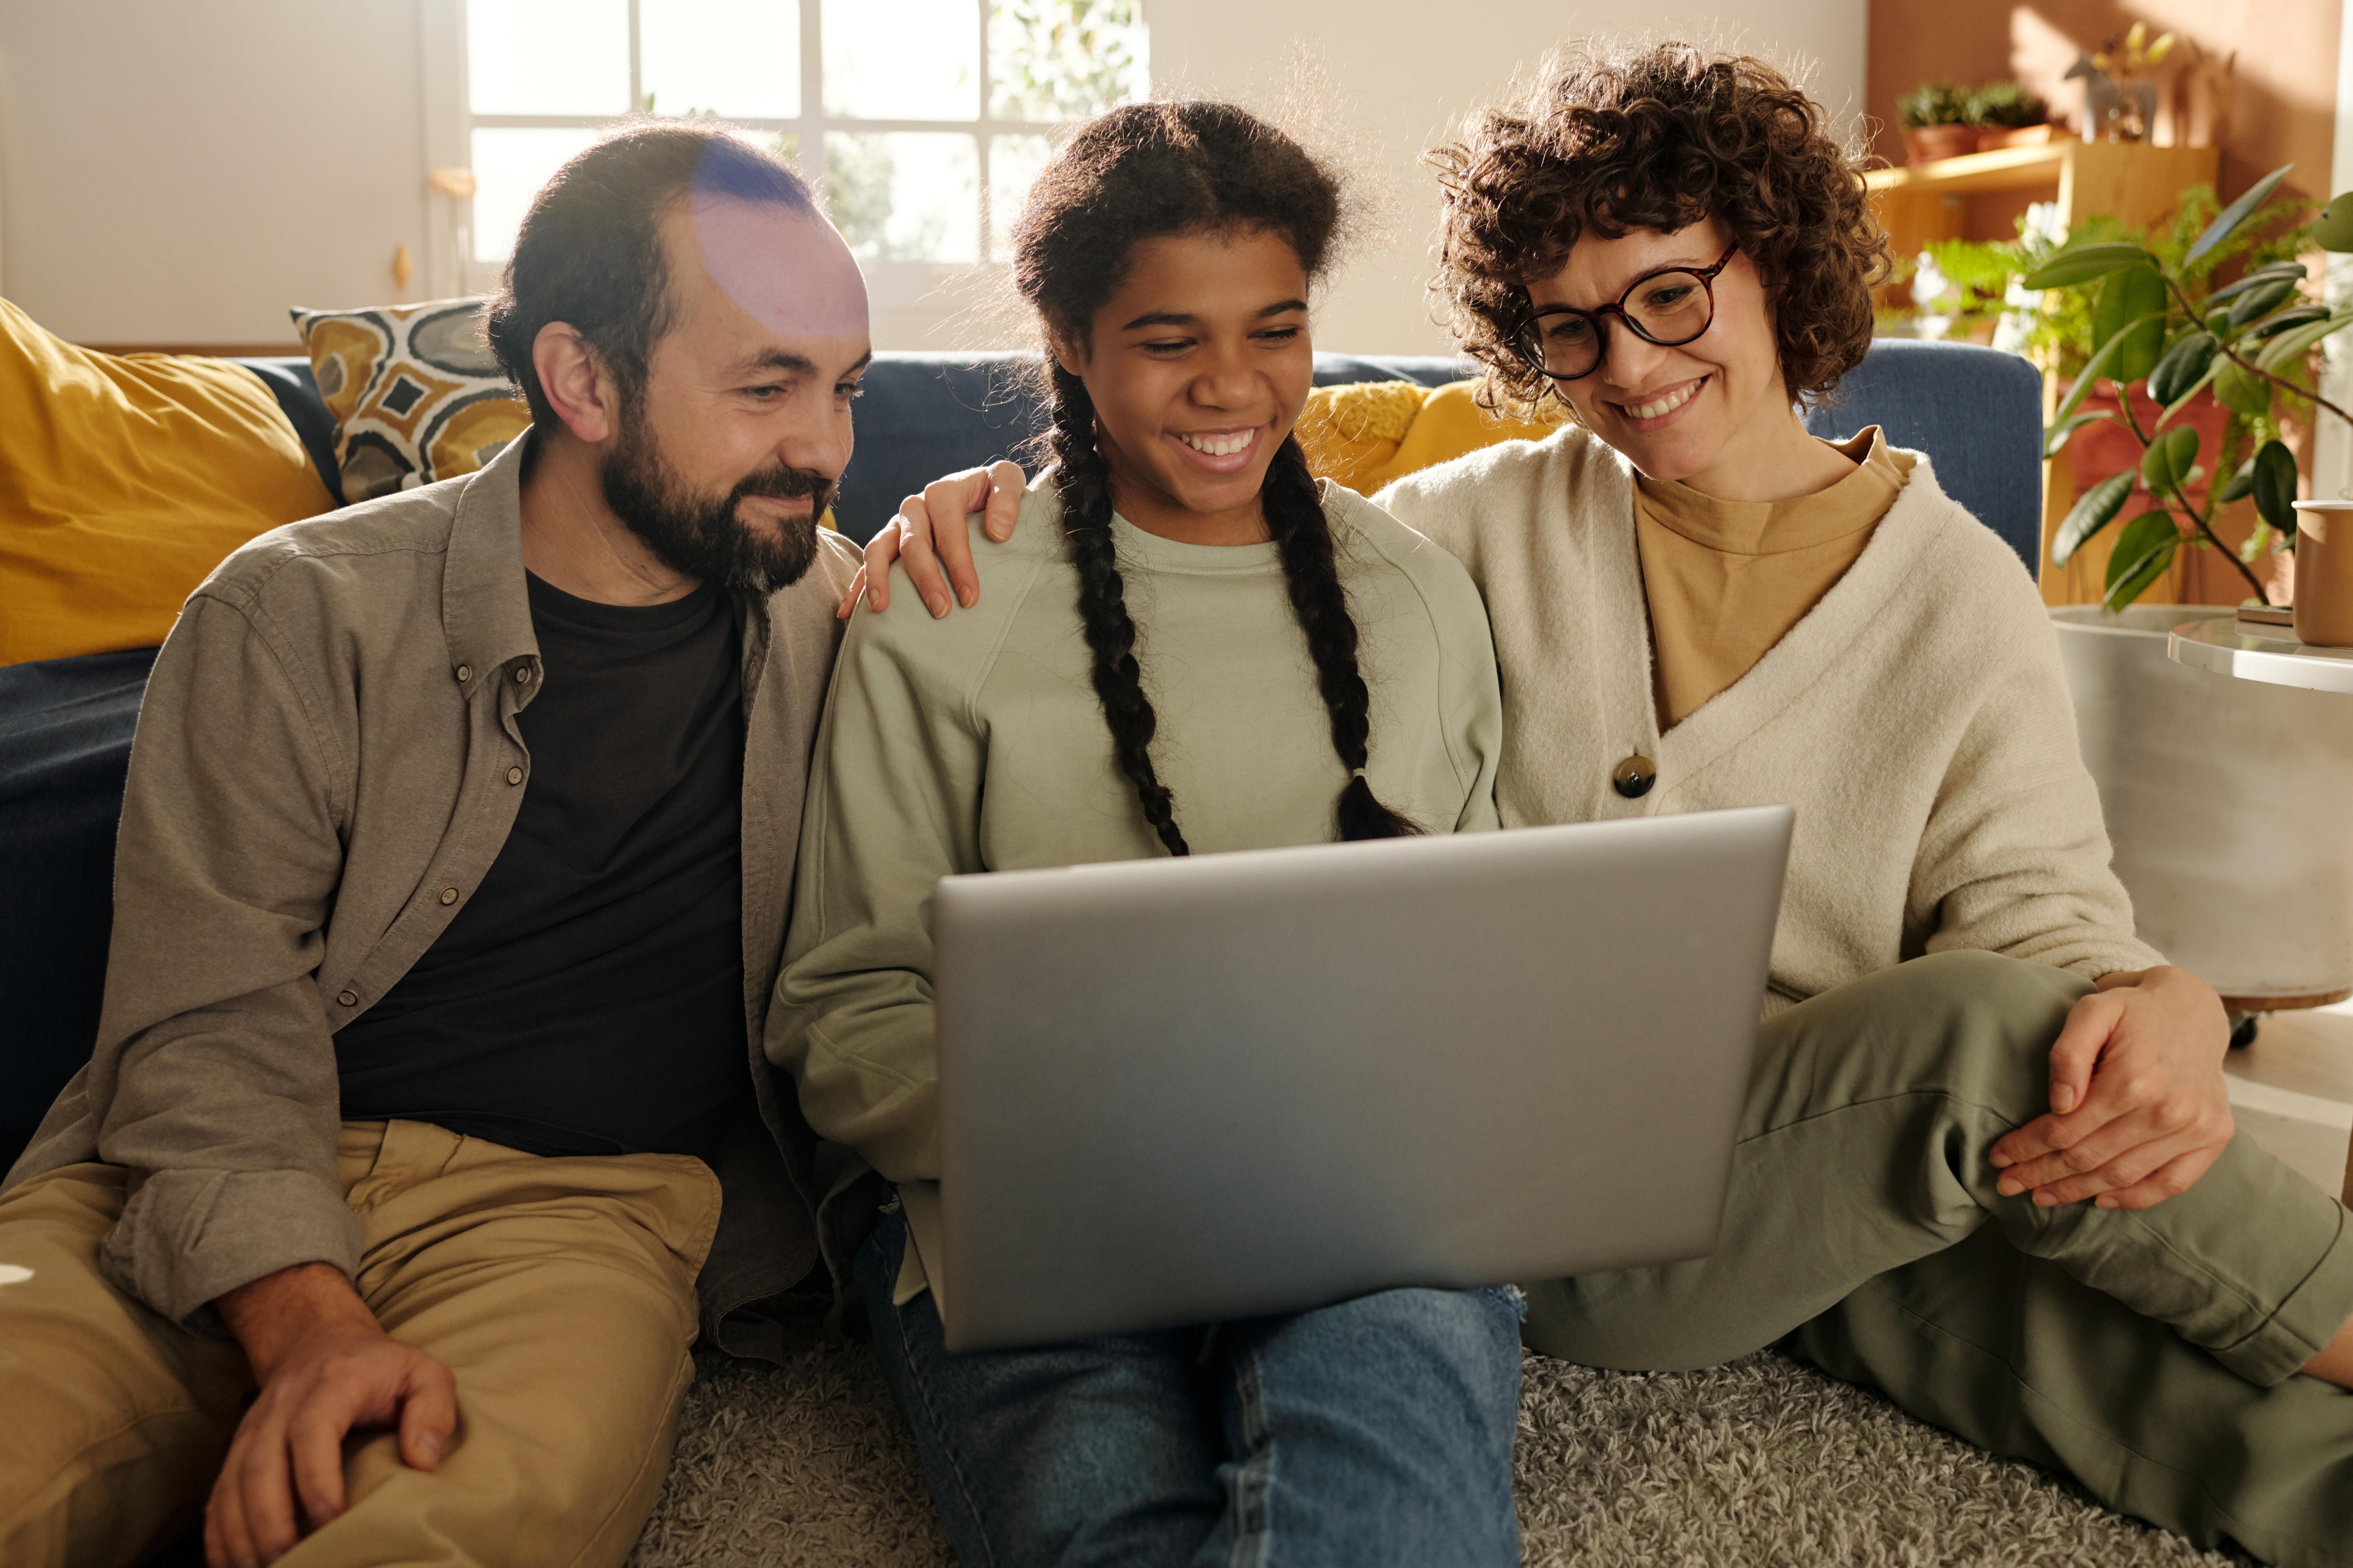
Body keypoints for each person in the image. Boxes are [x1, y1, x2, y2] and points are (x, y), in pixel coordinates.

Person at [859, 46, 2353, 1566]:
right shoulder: (1469, 526)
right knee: (1984, 1036)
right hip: (1522, 1184)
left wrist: (2158, 992)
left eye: (1668, 297)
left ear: (1771, 261)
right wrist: (978, 497)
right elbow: (1202, 492)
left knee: (2077, 1337)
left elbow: (2041, 914)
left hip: (1801, 1175)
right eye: (1571, 329)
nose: (1630, 366)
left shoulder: (1957, 583)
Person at [0, 122, 865, 1568]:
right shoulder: (291, 611)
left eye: (844, 388)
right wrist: (307, 1318)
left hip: (575, 1215)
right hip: (187, 1172)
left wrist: (1000, 521)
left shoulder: (846, 609)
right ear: (580, 379)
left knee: (464, 1529)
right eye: (768, 386)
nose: (827, 446)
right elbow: (201, 1025)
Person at [767, 102, 1522, 1566]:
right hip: (1018, 1212)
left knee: (1392, 1521)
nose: (1231, 384)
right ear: (1067, 337)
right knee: (1100, 1524)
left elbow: (1484, 956)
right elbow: (843, 1008)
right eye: (1170, 338)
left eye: (1277, 328)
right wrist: (1117, 1133)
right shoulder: (947, 609)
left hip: (1352, 1204)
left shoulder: (1420, 603)